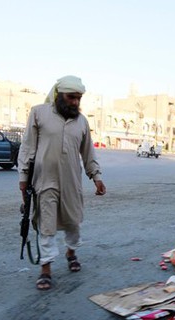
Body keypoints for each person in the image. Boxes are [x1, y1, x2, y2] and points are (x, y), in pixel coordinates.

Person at [18, 75, 106, 291]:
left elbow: (88, 153)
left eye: (78, 98)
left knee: (73, 222)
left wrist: (96, 176)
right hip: (44, 180)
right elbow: (28, 147)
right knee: (46, 226)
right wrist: (23, 177)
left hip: (71, 182)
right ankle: (46, 269)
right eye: (71, 97)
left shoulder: (82, 121)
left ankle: (71, 252)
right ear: (59, 95)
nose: (75, 102)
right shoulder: (39, 113)